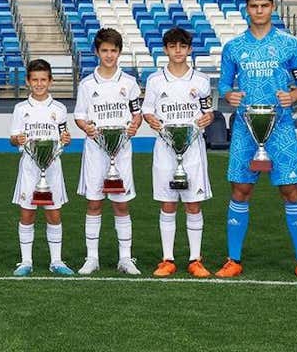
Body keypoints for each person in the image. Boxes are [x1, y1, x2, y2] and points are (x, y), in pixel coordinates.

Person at [216, 0, 297, 280]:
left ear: (273, 7)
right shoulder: (233, 47)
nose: (259, 11)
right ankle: (233, 259)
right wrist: (229, 95)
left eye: (264, 6)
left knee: (291, 190)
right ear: (246, 9)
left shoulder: (290, 44)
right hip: (247, 129)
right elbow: (224, 84)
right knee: (240, 189)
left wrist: (295, 95)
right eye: (253, 6)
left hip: (282, 127)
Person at [141, 27, 215, 278]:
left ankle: (195, 259)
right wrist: (151, 119)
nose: (178, 51)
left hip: (192, 149)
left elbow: (208, 111)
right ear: (165, 50)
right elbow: (147, 110)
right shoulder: (154, 80)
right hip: (165, 148)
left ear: (190, 49)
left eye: (182, 47)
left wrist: (208, 118)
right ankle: (167, 259)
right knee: (168, 203)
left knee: (193, 205)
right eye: (173, 47)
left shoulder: (201, 81)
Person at [73, 28, 144, 275]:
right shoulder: (86, 84)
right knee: (94, 204)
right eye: (105, 50)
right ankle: (91, 258)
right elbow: (80, 116)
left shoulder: (129, 83)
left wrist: (135, 125)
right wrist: (87, 128)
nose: (109, 55)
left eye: (113, 51)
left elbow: (137, 114)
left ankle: (125, 258)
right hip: (95, 152)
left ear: (119, 52)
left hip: (121, 152)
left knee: (121, 205)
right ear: (97, 52)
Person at [11, 59, 75, 277]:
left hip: (52, 168)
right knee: (27, 213)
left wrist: (66, 139)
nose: (39, 84)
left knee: (54, 214)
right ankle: (25, 261)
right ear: (28, 81)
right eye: (35, 80)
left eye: (43, 80)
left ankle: (56, 261)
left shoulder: (59, 109)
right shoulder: (20, 109)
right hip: (29, 169)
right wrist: (17, 139)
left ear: (50, 81)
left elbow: (63, 136)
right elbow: (13, 138)